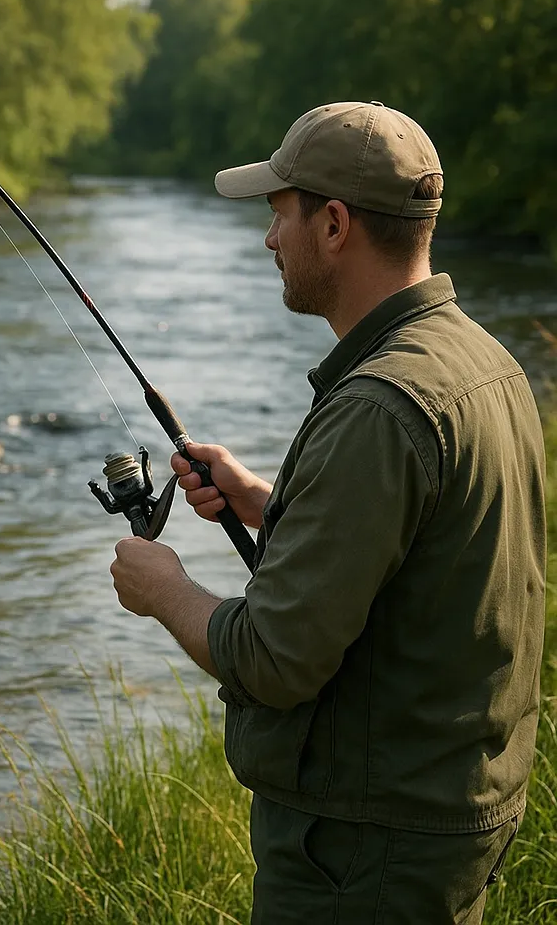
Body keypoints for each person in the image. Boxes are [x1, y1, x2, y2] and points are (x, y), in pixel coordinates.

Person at [109, 101, 547, 924]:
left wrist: (164, 589)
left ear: (335, 225)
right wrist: (266, 502)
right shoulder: (486, 363)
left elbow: (273, 658)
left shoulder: (378, 407)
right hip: (445, 819)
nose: (269, 240)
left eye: (281, 215)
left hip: (364, 854)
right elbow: (425, 552)